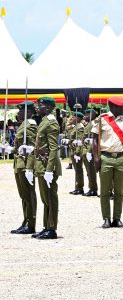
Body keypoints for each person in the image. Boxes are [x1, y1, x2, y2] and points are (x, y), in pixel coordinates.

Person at [92, 96, 123, 228]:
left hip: (121, 158)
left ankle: (117, 218)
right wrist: (96, 158)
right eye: (119, 107)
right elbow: (95, 140)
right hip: (105, 157)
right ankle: (106, 219)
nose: (122, 109)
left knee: (120, 191)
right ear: (112, 106)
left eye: (122, 107)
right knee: (105, 191)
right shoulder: (101, 119)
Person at [32, 97, 61, 239]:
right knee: (45, 198)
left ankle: (52, 228)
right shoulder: (44, 120)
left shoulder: (51, 122)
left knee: (50, 197)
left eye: (41, 105)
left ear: (48, 108)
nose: (38, 107)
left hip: (47, 164)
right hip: (41, 163)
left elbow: (54, 148)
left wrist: (50, 169)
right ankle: (46, 226)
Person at [10, 101, 38, 235]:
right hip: (19, 163)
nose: (19, 112)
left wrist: (30, 167)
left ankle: (31, 223)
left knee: (29, 195)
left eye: (22, 110)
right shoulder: (23, 125)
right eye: (20, 110)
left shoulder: (31, 124)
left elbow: (33, 147)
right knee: (23, 195)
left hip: (26, 164)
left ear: (30, 112)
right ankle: (26, 221)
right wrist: (11, 148)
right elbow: (20, 145)